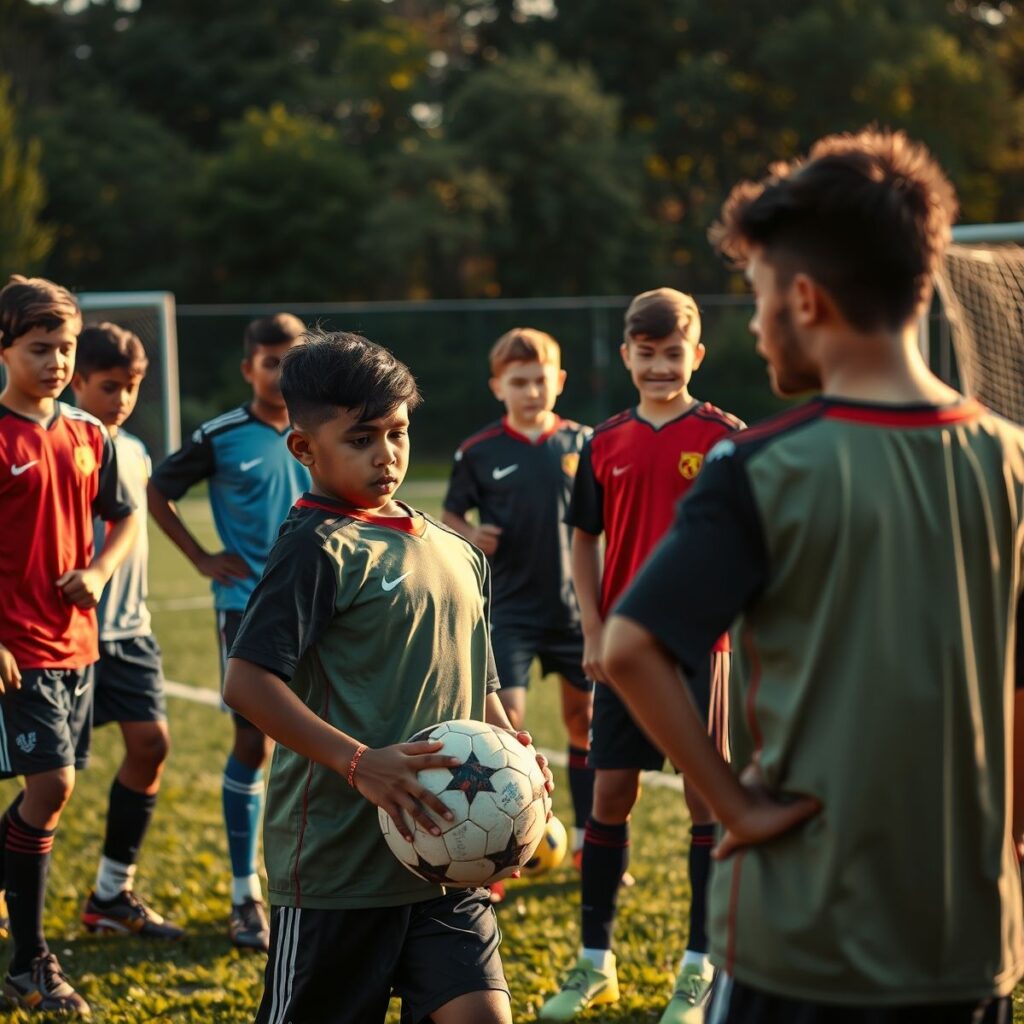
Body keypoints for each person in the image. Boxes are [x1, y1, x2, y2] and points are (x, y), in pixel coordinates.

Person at [604, 129, 1024, 1023]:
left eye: (756, 297)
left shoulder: (759, 466)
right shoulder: (1013, 460)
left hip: (800, 941)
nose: (754, 326)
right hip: (972, 938)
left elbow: (631, 644)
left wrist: (735, 808)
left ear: (802, 297)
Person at [222, 330, 553, 1024]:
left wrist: (514, 758)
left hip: (447, 859)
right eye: (362, 438)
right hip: (340, 873)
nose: (387, 454)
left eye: (397, 432)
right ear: (305, 449)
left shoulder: (454, 551)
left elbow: (477, 678)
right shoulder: (316, 548)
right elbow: (247, 683)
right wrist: (360, 762)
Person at [541, 289, 744, 1024]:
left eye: (673, 352)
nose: (660, 366)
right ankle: (597, 962)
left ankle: (699, 967)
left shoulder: (725, 437)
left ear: (696, 354)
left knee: (703, 801)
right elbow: (585, 540)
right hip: (623, 652)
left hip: (699, 649)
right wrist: (592, 629)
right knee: (608, 797)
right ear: (626, 355)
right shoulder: (604, 441)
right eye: (646, 353)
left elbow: (744, 546)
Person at [147, 313, 310, 952]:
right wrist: (200, 558)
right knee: (254, 742)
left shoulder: (322, 425)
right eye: (269, 362)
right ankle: (247, 895)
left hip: (322, 602)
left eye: (291, 360)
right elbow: (157, 489)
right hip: (246, 603)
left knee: (332, 731)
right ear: (250, 369)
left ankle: (314, 881)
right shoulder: (221, 435)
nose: (280, 372)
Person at [0, 276, 137, 1015]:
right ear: (4, 349)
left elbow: (125, 517)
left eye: (65, 348)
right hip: (16, 650)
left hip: (78, 646)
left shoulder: (90, 435)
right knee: (50, 789)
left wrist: (100, 570)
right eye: (39, 348)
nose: (55, 362)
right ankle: (28, 964)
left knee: (43, 797)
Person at [442, 328, 594, 870]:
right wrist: (469, 532)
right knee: (509, 732)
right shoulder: (479, 451)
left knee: (584, 722)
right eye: (519, 382)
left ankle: (585, 842)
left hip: (576, 612)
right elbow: (452, 515)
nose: (531, 391)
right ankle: (499, 847)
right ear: (497, 387)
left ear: (559, 381)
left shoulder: (583, 442)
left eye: (540, 380)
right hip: (509, 612)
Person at [70, 323, 183, 940]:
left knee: (151, 746)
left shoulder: (136, 450)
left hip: (130, 632)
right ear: (78, 381)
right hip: (67, 632)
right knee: (47, 778)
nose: (121, 399)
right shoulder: (61, 440)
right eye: (109, 386)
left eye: (131, 388)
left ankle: (111, 894)